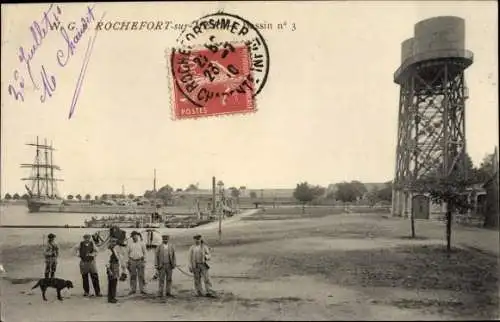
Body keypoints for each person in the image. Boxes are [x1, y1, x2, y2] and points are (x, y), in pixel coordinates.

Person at [127, 231, 147, 295]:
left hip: (140, 261)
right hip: (132, 261)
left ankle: (142, 289)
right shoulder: (130, 244)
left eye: (135, 236)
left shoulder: (142, 243)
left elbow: (145, 253)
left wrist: (144, 261)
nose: (134, 237)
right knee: (133, 276)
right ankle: (133, 290)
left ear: (137, 236)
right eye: (132, 236)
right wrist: (127, 262)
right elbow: (127, 253)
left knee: (141, 275)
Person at [106, 237, 125, 303]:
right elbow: (107, 261)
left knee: (114, 282)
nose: (114, 243)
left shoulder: (116, 249)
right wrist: (109, 270)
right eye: (112, 242)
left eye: (114, 242)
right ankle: (111, 298)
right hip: (111, 266)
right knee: (112, 282)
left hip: (116, 266)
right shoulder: (108, 250)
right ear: (110, 242)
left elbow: (120, 257)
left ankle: (112, 297)